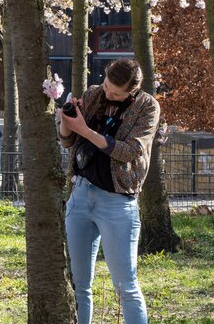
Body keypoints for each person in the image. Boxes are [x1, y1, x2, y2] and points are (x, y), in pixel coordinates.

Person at [57, 58, 160, 324]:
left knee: (126, 286)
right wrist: (67, 122)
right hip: (80, 195)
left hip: (117, 203)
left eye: (116, 93)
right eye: (106, 86)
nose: (108, 94)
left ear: (132, 91)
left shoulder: (146, 106)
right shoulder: (93, 94)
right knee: (79, 285)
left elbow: (129, 151)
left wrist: (85, 130)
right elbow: (69, 142)